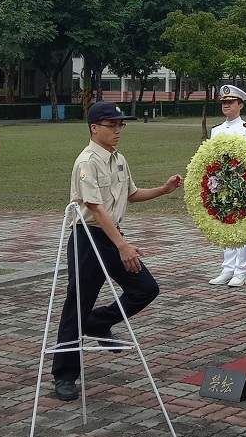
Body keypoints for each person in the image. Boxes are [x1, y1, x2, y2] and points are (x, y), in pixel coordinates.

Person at [51, 102, 184, 401]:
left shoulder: (118, 159)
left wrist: (163, 190)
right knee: (77, 304)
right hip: (89, 238)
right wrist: (122, 245)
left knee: (145, 289)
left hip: (112, 236)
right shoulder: (86, 162)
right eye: (111, 125)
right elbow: (95, 208)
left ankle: (98, 322)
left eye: (120, 125)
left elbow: (131, 194)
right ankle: (64, 374)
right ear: (94, 127)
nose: (118, 130)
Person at [209, 85, 246, 288]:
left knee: (242, 229)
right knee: (226, 226)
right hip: (221, 185)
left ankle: (241, 271)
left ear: (240, 105)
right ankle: (227, 268)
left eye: (230, 102)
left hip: (241, 184)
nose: (226, 106)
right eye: (224, 102)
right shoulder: (216, 130)